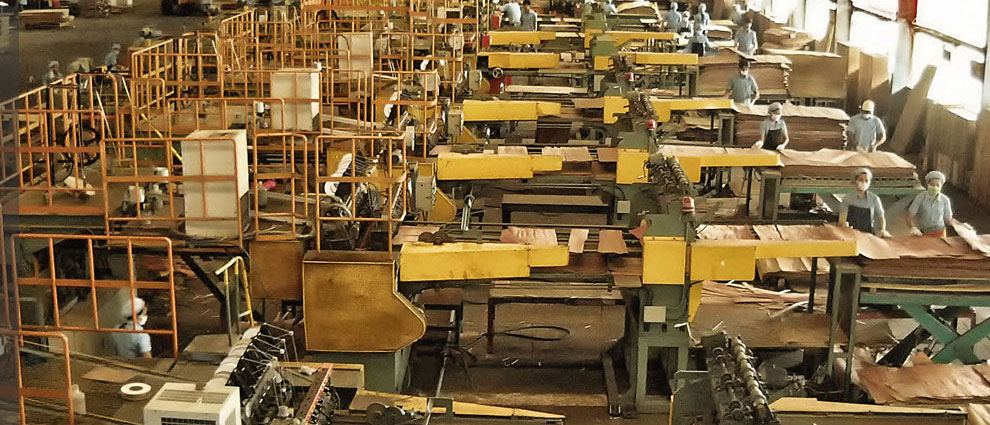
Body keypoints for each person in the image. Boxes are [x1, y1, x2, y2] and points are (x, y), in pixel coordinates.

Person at [838, 168, 889, 236]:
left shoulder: (874, 199)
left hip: (868, 235)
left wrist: (882, 230)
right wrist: (843, 225)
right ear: (855, 181)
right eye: (860, 180)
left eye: (866, 180)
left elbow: (881, 217)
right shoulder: (847, 199)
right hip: (851, 234)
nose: (864, 182)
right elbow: (842, 219)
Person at [907, 170, 953, 238]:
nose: (935, 187)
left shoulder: (945, 200)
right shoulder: (920, 198)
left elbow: (948, 220)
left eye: (938, 185)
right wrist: (913, 228)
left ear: (941, 186)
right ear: (928, 185)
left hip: (940, 232)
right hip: (923, 232)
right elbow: (909, 217)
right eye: (932, 185)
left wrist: (960, 226)